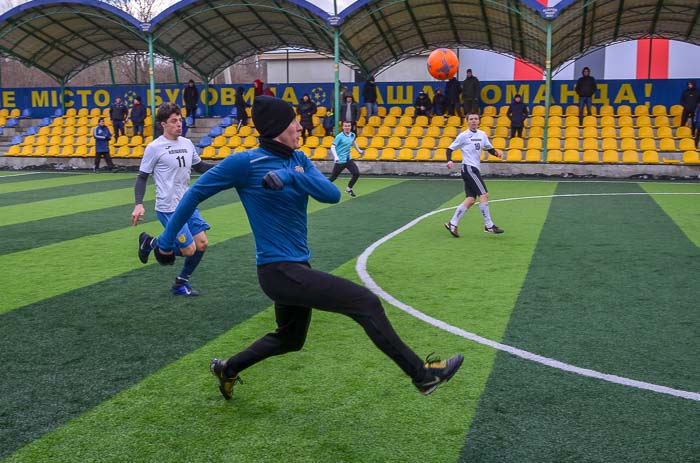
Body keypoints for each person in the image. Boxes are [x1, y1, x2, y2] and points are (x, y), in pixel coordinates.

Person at [142, 95, 464, 400]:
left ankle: (228, 368)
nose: (300, 127)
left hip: (298, 266)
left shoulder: (298, 159)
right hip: (276, 271)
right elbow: (195, 194)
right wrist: (167, 242)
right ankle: (422, 376)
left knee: (290, 339)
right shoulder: (244, 163)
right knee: (365, 303)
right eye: (293, 123)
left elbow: (331, 194)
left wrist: (290, 177)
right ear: (276, 130)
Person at [132, 102, 214, 296]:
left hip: (188, 203)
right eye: (174, 121)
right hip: (168, 208)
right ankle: (151, 244)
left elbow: (200, 166)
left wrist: (225, 167)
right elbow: (142, 177)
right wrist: (138, 204)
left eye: (180, 120)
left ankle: (180, 283)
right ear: (163, 124)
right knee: (188, 250)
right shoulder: (154, 147)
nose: (179, 124)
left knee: (202, 244)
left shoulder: (186, 143)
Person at [444, 113, 505, 237]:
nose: (473, 121)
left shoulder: (482, 134)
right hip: (469, 168)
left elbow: (488, 148)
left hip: (473, 169)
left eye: (476, 119)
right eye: (471, 119)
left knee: (471, 199)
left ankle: (452, 223)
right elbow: (449, 149)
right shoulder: (463, 136)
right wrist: (449, 160)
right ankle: (489, 225)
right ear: (467, 122)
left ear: (479, 121)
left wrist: (496, 153)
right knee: (484, 194)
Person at [329, 120, 363, 197]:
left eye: (348, 126)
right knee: (333, 178)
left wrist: (359, 150)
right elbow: (332, 146)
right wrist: (336, 157)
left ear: (351, 127)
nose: (347, 127)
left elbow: (353, 142)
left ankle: (349, 188)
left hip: (348, 159)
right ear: (343, 127)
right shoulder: (339, 136)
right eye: (345, 126)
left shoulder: (352, 135)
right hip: (340, 160)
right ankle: (320, 188)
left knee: (356, 173)